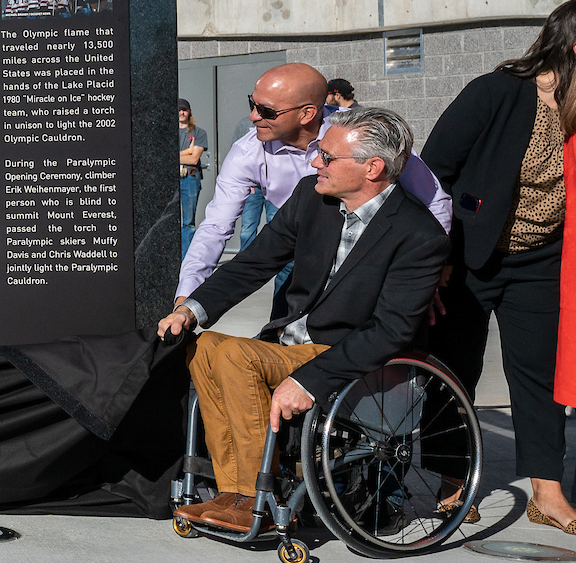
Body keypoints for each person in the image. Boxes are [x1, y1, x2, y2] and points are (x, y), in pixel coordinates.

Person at [158, 107, 448, 532]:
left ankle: (259, 493)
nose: (315, 163)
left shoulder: (419, 237)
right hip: (291, 343)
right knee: (204, 347)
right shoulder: (313, 197)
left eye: (328, 157)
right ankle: (233, 490)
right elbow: (254, 263)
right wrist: (190, 309)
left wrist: (311, 378)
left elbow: (391, 330)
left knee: (237, 354)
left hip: (346, 357)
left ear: (373, 167)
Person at [423, 1, 574, 532]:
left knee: (537, 373)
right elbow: (432, 172)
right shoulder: (497, 91)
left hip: (542, 258)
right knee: (453, 366)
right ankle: (451, 477)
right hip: (467, 255)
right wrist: (436, 256)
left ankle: (547, 491)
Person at [175, 62, 449, 302]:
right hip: (298, 257)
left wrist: (430, 275)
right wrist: (188, 294)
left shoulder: (364, 133)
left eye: (267, 111)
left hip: (372, 257)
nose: (253, 116)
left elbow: (433, 199)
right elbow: (216, 226)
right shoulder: (247, 152)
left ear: (307, 113)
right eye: (252, 104)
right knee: (284, 336)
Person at [176, 99, 208, 259]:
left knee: (187, 221)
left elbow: (194, 159)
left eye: (184, 110)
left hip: (190, 178)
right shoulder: (166, 133)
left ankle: (186, 259)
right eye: (178, 109)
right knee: (168, 219)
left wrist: (190, 153)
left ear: (189, 112)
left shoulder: (199, 133)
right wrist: (186, 151)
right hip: (171, 180)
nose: (181, 112)